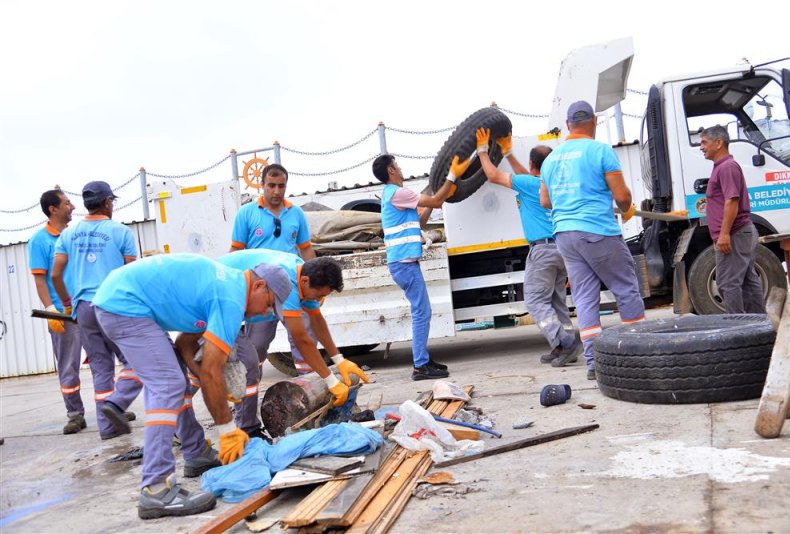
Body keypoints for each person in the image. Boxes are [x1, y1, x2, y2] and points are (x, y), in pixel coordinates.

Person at [93, 253, 298, 519]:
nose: (265, 313)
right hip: (124, 305)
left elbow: (185, 344)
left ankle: (195, 451)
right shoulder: (231, 298)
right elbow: (212, 370)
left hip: (121, 300)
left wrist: (204, 376)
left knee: (174, 380)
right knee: (167, 385)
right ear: (259, 286)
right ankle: (156, 490)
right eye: (269, 304)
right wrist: (227, 429)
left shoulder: (229, 286)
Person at [540, 101, 645, 380]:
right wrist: (626, 209)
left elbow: (545, 201)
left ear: (567, 124)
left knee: (585, 298)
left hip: (565, 235)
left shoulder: (550, 160)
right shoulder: (600, 151)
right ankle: (638, 353)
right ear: (594, 122)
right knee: (625, 288)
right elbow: (622, 197)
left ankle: (593, 363)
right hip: (597, 231)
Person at [217, 249, 368, 437]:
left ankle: (248, 426)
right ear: (304, 282)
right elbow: (301, 339)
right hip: (222, 298)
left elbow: (317, 320)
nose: (318, 301)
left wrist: (339, 360)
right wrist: (330, 380)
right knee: (248, 363)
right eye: (317, 296)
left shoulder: (305, 275)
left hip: (248, 298)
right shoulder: (286, 283)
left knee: (252, 360)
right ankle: (245, 427)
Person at [474, 129, 582, 367]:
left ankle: (563, 343)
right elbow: (527, 176)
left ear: (532, 163)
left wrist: (482, 150)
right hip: (561, 247)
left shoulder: (530, 184)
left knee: (534, 299)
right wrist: (509, 153)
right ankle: (565, 342)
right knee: (556, 300)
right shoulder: (548, 184)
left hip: (542, 250)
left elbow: (492, 175)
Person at [52, 181, 142, 439]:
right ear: (106, 203)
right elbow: (130, 274)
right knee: (135, 361)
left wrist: (67, 304)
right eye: (111, 201)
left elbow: (56, 273)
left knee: (101, 368)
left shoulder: (68, 235)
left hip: (83, 309)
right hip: (113, 305)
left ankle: (108, 427)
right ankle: (118, 403)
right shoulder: (120, 232)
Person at [371, 153, 468, 380]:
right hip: (404, 264)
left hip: (403, 263)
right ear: (391, 171)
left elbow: (421, 221)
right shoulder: (397, 193)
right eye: (397, 165)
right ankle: (420, 365)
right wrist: (452, 176)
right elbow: (434, 201)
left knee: (422, 311)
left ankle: (423, 359)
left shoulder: (393, 195)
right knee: (421, 312)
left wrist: (441, 193)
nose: (400, 168)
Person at [230, 163, 318, 375]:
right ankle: (246, 395)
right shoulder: (246, 213)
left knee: (303, 339)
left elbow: (306, 250)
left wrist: (314, 282)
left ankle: (312, 390)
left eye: (281, 186)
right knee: (256, 346)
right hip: (260, 291)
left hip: (291, 289)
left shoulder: (296, 214)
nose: (276, 191)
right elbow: (235, 252)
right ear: (262, 185)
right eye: (271, 185)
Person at [27, 189, 87, 434]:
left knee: (102, 359)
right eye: (67, 202)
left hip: (86, 306)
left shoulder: (74, 236)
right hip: (63, 313)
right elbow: (40, 280)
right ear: (53, 209)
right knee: (68, 364)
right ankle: (75, 414)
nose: (72, 206)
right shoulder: (39, 241)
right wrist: (51, 310)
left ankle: (112, 406)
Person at [699, 125, 766, 314]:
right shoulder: (722, 167)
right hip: (739, 232)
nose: (701, 147)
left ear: (719, 143)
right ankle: (758, 327)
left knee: (727, 284)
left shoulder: (727, 167)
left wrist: (724, 234)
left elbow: (732, 201)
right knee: (747, 282)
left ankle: (739, 331)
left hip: (735, 233)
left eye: (704, 142)